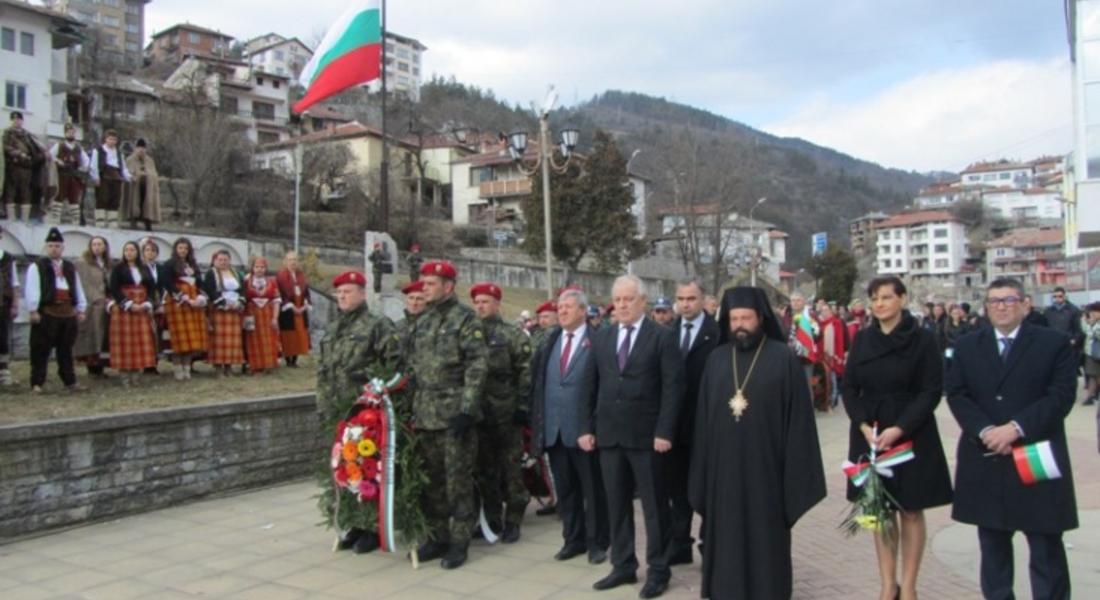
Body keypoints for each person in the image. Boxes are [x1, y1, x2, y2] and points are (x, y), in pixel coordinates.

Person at [688, 286, 826, 600]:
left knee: (766, 541)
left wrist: (793, 479)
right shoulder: (716, 360)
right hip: (724, 476)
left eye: (746, 318)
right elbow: (703, 423)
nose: (739, 324)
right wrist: (703, 474)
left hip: (768, 475)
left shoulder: (784, 359)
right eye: (734, 318)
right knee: (726, 540)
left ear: (760, 319)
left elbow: (800, 425)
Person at [947, 278, 1078, 600]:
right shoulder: (967, 346)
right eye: (994, 301)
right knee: (992, 546)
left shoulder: (1054, 343)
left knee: (1046, 544)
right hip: (987, 456)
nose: (1001, 306)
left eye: (1008, 300)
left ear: (1025, 304)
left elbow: (1060, 396)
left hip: (1035, 455)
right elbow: (957, 394)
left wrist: (1016, 428)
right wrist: (986, 431)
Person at [842, 276, 953, 600]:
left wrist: (900, 428)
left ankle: (910, 586)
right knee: (881, 508)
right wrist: (862, 423)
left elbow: (931, 390)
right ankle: (888, 584)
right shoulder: (862, 340)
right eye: (875, 298)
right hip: (871, 432)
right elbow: (849, 387)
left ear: (902, 299)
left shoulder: (923, 339)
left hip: (910, 431)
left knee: (911, 509)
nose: (879, 304)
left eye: (887, 297)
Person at [579, 274, 682, 599]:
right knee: (617, 504)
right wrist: (585, 427)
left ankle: (659, 570)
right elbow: (589, 385)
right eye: (618, 299)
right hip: (609, 436)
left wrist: (665, 431)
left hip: (648, 438)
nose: (622, 305)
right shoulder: (603, 337)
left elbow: (673, 389)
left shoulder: (661, 337)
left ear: (643, 302)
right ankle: (623, 565)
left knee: (654, 507)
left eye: (628, 299)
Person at [405, 260, 488, 569]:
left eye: (430, 283)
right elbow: (413, 370)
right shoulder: (423, 321)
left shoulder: (465, 319)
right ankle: (437, 538)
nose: (423, 287)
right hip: (426, 416)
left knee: (458, 482)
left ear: (448, 286)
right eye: (423, 282)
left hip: (455, 416)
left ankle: (459, 541)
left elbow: (477, 366)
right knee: (432, 482)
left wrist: (467, 409)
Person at [317, 269, 401, 555]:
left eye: (348, 291)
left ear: (362, 293)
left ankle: (371, 527)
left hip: (364, 411)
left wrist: (376, 401)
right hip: (336, 408)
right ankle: (352, 521)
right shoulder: (333, 328)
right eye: (339, 292)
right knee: (344, 466)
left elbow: (393, 366)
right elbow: (323, 371)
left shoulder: (377, 324)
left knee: (367, 466)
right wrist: (322, 405)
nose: (342, 296)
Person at [529, 288, 609, 565]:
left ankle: (597, 542)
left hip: (584, 431)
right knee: (566, 491)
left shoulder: (598, 341)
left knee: (592, 490)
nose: (561, 311)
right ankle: (572, 540)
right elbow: (538, 383)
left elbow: (604, 390)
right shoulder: (550, 341)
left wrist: (595, 428)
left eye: (568, 307)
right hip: (555, 430)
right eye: (559, 307)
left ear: (583, 311)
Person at [469, 282, 531, 543]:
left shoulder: (513, 335)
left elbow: (525, 372)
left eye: (485, 301)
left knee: (511, 469)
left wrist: (522, 407)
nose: (480, 306)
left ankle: (514, 519)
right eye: (477, 302)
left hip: (506, 413)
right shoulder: (469, 335)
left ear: (497, 304)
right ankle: (491, 519)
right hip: (479, 415)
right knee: (485, 470)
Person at [666, 279, 719, 566]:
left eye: (691, 298)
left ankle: (707, 542)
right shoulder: (667, 332)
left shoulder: (717, 334)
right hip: (676, 426)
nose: (685, 303)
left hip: (706, 424)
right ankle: (680, 543)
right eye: (681, 298)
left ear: (702, 300)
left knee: (707, 487)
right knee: (678, 488)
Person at [25, 227, 87, 393]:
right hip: (47, 312)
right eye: (51, 245)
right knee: (40, 349)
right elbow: (32, 289)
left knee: (66, 349)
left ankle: (69, 381)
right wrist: (33, 310)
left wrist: (80, 308)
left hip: (67, 312)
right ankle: (37, 382)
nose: (54, 248)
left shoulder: (69, 267)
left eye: (57, 246)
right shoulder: (37, 266)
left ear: (63, 248)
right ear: (46, 247)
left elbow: (77, 287)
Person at [107, 241, 157, 386]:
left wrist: (147, 303)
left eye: (132, 250)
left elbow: (151, 288)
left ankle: (136, 374)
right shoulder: (118, 268)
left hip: (141, 307)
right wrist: (128, 304)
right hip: (124, 309)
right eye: (127, 250)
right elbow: (114, 288)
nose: (129, 252)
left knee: (139, 341)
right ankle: (124, 376)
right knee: (124, 342)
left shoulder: (144, 268)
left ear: (137, 252)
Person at [164, 237, 208, 380]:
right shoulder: (169, 264)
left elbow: (200, 283)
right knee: (179, 337)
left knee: (191, 337)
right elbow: (168, 283)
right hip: (178, 302)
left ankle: (187, 369)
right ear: (176, 249)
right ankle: (178, 370)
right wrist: (183, 297)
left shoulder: (193, 265)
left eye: (185, 248)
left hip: (193, 302)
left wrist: (200, 298)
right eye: (180, 248)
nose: (183, 251)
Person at [202, 250, 246, 377]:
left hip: (234, 310)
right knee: (219, 340)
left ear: (230, 260)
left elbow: (242, 289)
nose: (223, 262)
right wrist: (223, 303)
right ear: (215, 260)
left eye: (225, 260)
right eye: (220, 260)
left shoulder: (236, 273)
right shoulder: (211, 273)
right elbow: (210, 290)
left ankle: (229, 366)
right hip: (219, 309)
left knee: (232, 340)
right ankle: (218, 368)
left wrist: (239, 302)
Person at [72, 236, 110, 378]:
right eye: (94, 244)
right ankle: (92, 367)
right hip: (91, 304)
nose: (97, 247)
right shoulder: (82, 263)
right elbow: (83, 283)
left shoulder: (107, 263)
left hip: (105, 304)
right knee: (91, 335)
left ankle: (100, 365)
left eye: (100, 244)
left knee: (102, 336)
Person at [3, 111, 45, 222]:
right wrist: (18, 153)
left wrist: (38, 156)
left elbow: (37, 148)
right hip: (13, 166)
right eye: (14, 119)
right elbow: (5, 147)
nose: (16, 121)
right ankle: (11, 218)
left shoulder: (27, 135)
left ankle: (25, 219)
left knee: (26, 192)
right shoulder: (7, 133)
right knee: (10, 192)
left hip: (26, 168)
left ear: (22, 121)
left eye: (18, 119)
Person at [244, 256, 281, 374]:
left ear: (266, 269)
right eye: (257, 267)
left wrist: (275, 317)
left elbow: (276, 300)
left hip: (266, 314)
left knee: (268, 339)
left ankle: (267, 364)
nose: (259, 269)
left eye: (262, 267)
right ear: (252, 268)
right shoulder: (246, 280)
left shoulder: (272, 281)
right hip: (251, 313)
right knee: (251, 339)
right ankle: (253, 365)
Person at [88, 129, 131, 228]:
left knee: (115, 200)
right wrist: (95, 177)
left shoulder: (119, 154)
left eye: (114, 139)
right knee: (102, 199)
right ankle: (100, 222)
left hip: (116, 177)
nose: (112, 141)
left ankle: (112, 223)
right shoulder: (98, 150)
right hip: (104, 176)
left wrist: (128, 177)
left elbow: (123, 167)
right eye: (110, 139)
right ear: (106, 139)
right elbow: (94, 165)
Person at [48, 123, 89, 225]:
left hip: (74, 176)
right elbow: (49, 155)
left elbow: (86, 160)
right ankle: (55, 220)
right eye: (69, 132)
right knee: (58, 197)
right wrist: (57, 161)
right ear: (65, 134)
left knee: (74, 199)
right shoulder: (59, 145)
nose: (71, 134)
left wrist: (83, 168)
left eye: (72, 132)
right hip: (62, 175)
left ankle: (75, 222)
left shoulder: (79, 148)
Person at [276, 251, 311, 367]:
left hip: (301, 309)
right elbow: (281, 294)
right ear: (285, 261)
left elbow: (306, 291)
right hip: (287, 310)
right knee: (288, 335)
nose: (293, 262)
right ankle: (288, 360)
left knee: (299, 334)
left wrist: (305, 304)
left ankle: (295, 360)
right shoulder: (281, 276)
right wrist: (291, 306)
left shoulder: (301, 275)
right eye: (290, 260)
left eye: (295, 260)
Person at [141, 238, 171, 374]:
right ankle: (144, 363)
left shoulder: (160, 268)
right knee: (145, 333)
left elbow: (165, 286)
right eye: (147, 250)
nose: (150, 253)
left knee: (156, 333)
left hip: (159, 301)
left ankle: (154, 362)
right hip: (143, 302)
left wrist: (162, 303)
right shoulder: (139, 268)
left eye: (153, 250)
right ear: (143, 252)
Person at [123, 138, 161, 231]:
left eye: (143, 148)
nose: (141, 150)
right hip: (135, 187)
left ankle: (147, 223)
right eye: (139, 148)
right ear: (135, 149)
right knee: (134, 204)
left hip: (147, 187)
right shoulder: (130, 159)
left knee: (147, 205)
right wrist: (137, 175)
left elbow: (154, 174)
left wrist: (147, 175)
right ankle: (133, 221)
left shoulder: (149, 160)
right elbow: (127, 172)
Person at [0, 225, 20, 386]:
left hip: (3, 303)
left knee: (2, 337)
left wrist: (15, 304)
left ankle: (3, 371)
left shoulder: (7, 258)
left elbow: (14, 283)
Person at [818, 302, 847, 411]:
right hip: (823, 355)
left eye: (826, 310)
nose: (824, 312)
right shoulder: (820, 324)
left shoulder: (836, 323)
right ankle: (825, 401)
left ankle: (832, 401)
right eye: (822, 310)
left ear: (831, 311)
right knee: (826, 379)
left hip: (833, 355)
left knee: (833, 379)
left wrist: (839, 355)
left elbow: (840, 340)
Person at [395, 279, 426, 344]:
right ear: (406, 300)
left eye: (419, 299)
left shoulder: (434, 325)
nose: (414, 303)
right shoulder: (397, 326)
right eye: (411, 298)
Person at [1082, 303, 1100, 406]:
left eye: (1094, 312)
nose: (1092, 314)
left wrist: (1093, 327)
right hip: (1091, 352)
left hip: (1097, 352)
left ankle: (1092, 395)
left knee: (1096, 376)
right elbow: (1085, 332)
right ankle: (1090, 396)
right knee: (1092, 375)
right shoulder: (1091, 323)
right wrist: (1087, 322)